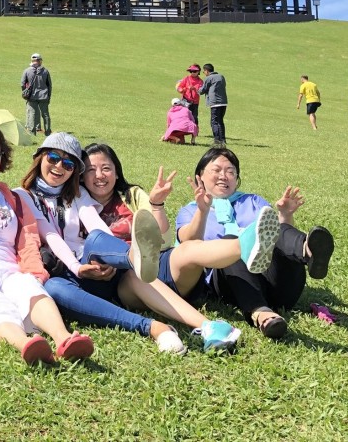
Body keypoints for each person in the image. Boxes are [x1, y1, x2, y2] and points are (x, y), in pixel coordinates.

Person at [79, 143, 276, 347]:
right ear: (82, 176)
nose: (99, 175)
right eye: (91, 170)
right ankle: (209, 326)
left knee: (187, 248)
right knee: (134, 274)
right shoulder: (74, 202)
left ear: (117, 172)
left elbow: (162, 240)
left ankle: (245, 243)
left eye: (106, 168)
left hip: (154, 264)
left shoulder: (131, 195)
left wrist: (156, 205)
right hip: (121, 280)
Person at [0, 124, 93, 365]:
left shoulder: (13, 197)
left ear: (2, 159)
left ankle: (64, 339)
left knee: (30, 289)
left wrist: (34, 273)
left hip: (10, 269)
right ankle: (26, 344)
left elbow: (28, 239)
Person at [175, 147, 335, 339]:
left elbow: (275, 238)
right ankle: (261, 313)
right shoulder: (189, 211)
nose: (224, 176)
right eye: (216, 170)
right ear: (200, 176)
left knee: (275, 227)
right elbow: (188, 244)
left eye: (231, 171)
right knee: (233, 243)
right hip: (230, 285)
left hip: (279, 287)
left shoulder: (253, 201)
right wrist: (203, 211)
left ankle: (307, 250)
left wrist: (285, 215)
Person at [21, 53, 52, 136]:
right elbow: (49, 85)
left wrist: (25, 93)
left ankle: (32, 132)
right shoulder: (45, 71)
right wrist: (49, 96)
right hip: (44, 96)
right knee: (45, 114)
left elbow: (22, 84)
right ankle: (48, 132)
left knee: (32, 114)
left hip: (31, 96)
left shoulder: (27, 71)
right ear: (40, 61)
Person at [199, 63, 227, 147]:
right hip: (223, 102)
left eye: (204, 71)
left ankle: (217, 140)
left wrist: (196, 89)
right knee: (220, 121)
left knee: (214, 122)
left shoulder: (209, 78)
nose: (204, 73)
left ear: (206, 71)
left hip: (215, 103)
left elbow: (202, 90)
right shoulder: (221, 76)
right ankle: (222, 140)